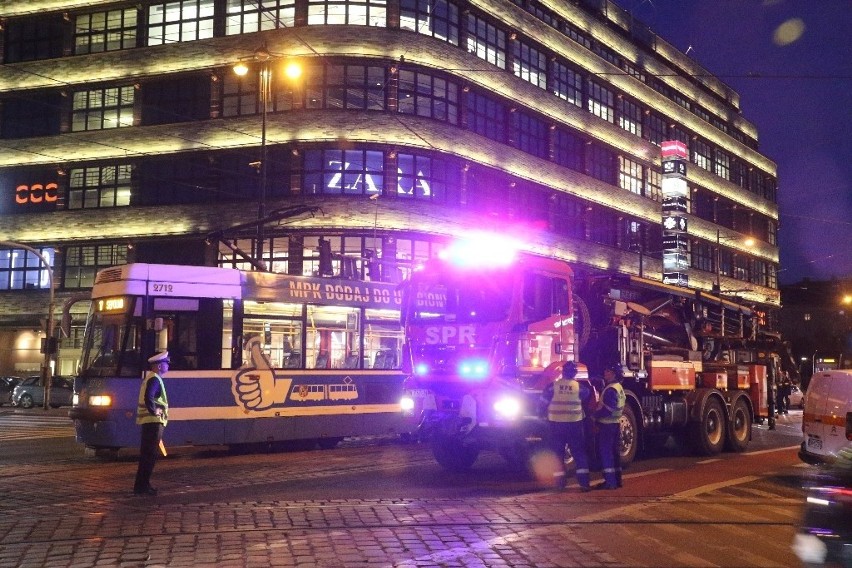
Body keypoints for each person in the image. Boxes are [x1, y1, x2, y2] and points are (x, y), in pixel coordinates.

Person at [541, 360, 592, 492]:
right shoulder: (581, 388)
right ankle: (584, 483)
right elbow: (587, 398)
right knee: (579, 453)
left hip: (556, 425)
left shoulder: (552, 387)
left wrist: (540, 415)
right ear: (575, 373)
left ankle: (559, 484)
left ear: (562, 373)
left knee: (557, 454)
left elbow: (542, 404)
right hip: (574, 424)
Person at [133, 351, 170, 496]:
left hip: (149, 422)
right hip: (153, 422)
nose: (168, 367)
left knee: (147, 455)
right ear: (160, 366)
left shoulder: (151, 378)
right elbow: (149, 397)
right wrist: (154, 411)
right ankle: (143, 487)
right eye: (166, 364)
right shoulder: (155, 379)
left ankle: (142, 485)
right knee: (149, 455)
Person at [594, 364, 626, 490]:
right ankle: (618, 481)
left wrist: (594, 416)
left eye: (608, 371)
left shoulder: (611, 389)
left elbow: (608, 409)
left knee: (606, 454)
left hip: (607, 425)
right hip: (615, 424)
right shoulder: (618, 387)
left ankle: (610, 482)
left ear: (614, 374)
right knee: (614, 453)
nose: (605, 373)